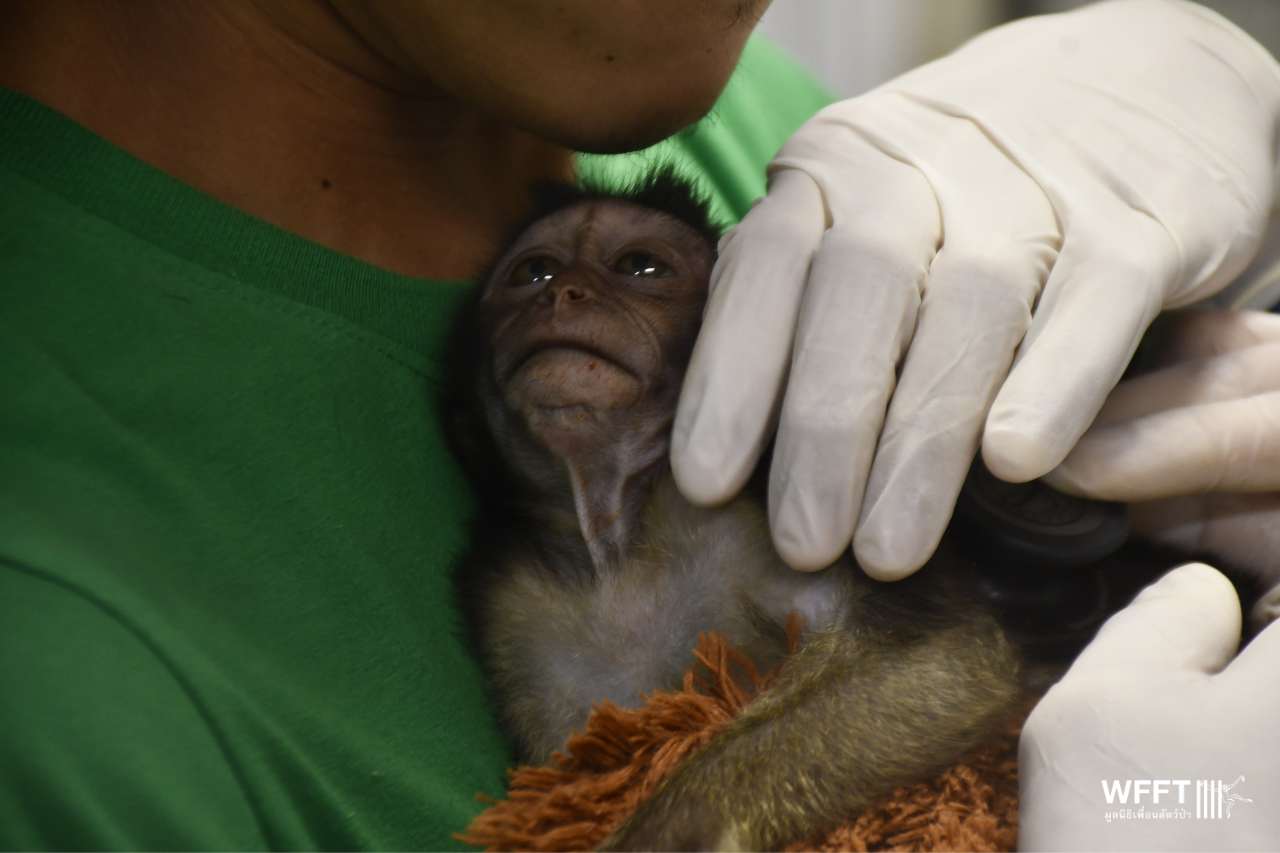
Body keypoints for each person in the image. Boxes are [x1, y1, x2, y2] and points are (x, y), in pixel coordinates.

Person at [0, 1, 1276, 849]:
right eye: (540, 286)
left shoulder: (760, 131)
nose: (580, 301)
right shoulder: (64, 691)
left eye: (646, 276)